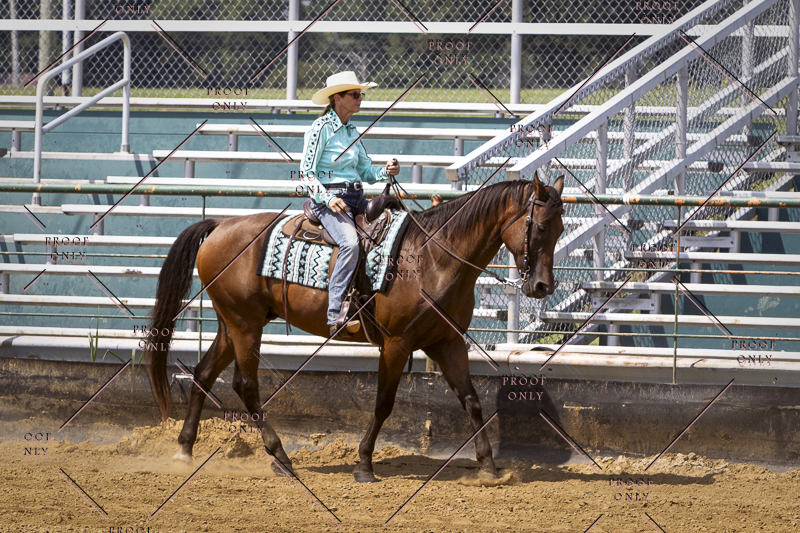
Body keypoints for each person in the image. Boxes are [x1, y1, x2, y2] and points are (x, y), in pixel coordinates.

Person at [301, 71, 400, 339]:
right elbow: (306, 174)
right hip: (330, 201)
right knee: (350, 244)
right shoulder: (320, 128)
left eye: (360, 94)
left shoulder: (353, 131)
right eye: (354, 95)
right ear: (337, 98)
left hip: (357, 198)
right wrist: (328, 198)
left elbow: (366, 171)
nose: (360, 99)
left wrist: (386, 171)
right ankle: (335, 314)